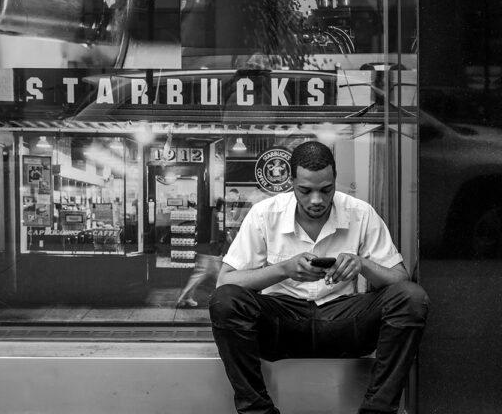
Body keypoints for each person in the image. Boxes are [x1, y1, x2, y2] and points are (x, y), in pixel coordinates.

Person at [209, 141, 429, 414]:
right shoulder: (265, 214)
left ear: (335, 180)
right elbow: (225, 282)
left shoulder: (360, 213)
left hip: (343, 323)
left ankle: (378, 410)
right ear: (291, 183)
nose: (316, 200)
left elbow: (400, 278)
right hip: (282, 323)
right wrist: (283, 270)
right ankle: (257, 411)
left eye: (326, 190)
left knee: (412, 298)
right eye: (305, 190)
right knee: (225, 301)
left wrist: (362, 265)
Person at [177, 198, 226, 308]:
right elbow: (214, 233)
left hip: (208, 249)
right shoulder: (216, 214)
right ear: (221, 206)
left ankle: (185, 297)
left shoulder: (212, 213)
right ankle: (226, 299)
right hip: (210, 251)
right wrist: (214, 245)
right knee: (216, 276)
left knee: (209, 275)